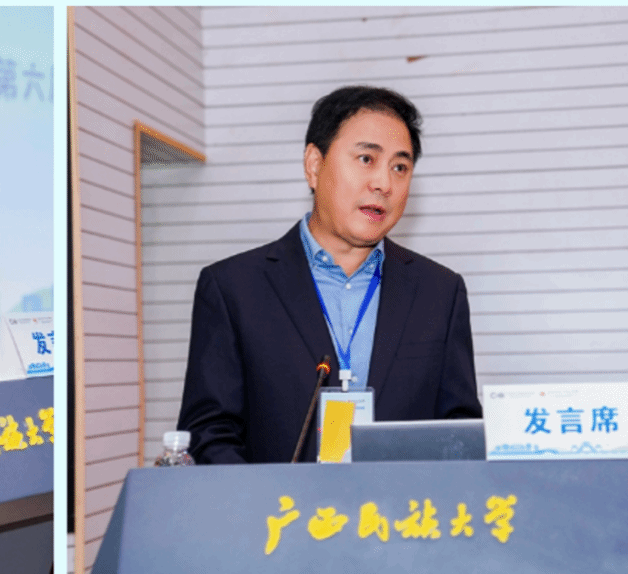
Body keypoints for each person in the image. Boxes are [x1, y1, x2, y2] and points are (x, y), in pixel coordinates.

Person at [177, 86, 482, 465]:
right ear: (314, 165)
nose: (384, 184)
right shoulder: (233, 288)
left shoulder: (440, 292)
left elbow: (459, 432)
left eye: (400, 167)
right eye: (366, 159)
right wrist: (265, 499)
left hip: (402, 503)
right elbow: (209, 435)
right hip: (277, 503)